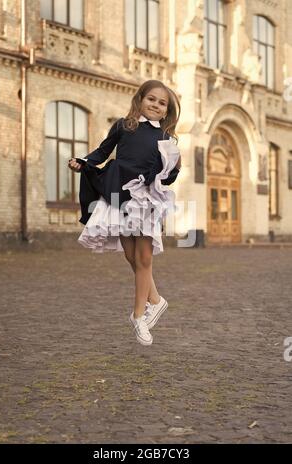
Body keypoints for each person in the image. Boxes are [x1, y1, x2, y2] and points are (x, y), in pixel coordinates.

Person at [68, 79, 181, 347]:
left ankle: (139, 316)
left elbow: (170, 176)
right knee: (131, 256)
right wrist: (83, 162)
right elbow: (103, 151)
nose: (155, 104)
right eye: (151, 99)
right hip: (118, 193)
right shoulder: (123, 125)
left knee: (143, 257)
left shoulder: (167, 140)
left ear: (167, 111)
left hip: (144, 199)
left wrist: (173, 166)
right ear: (140, 100)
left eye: (162, 103)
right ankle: (156, 300)